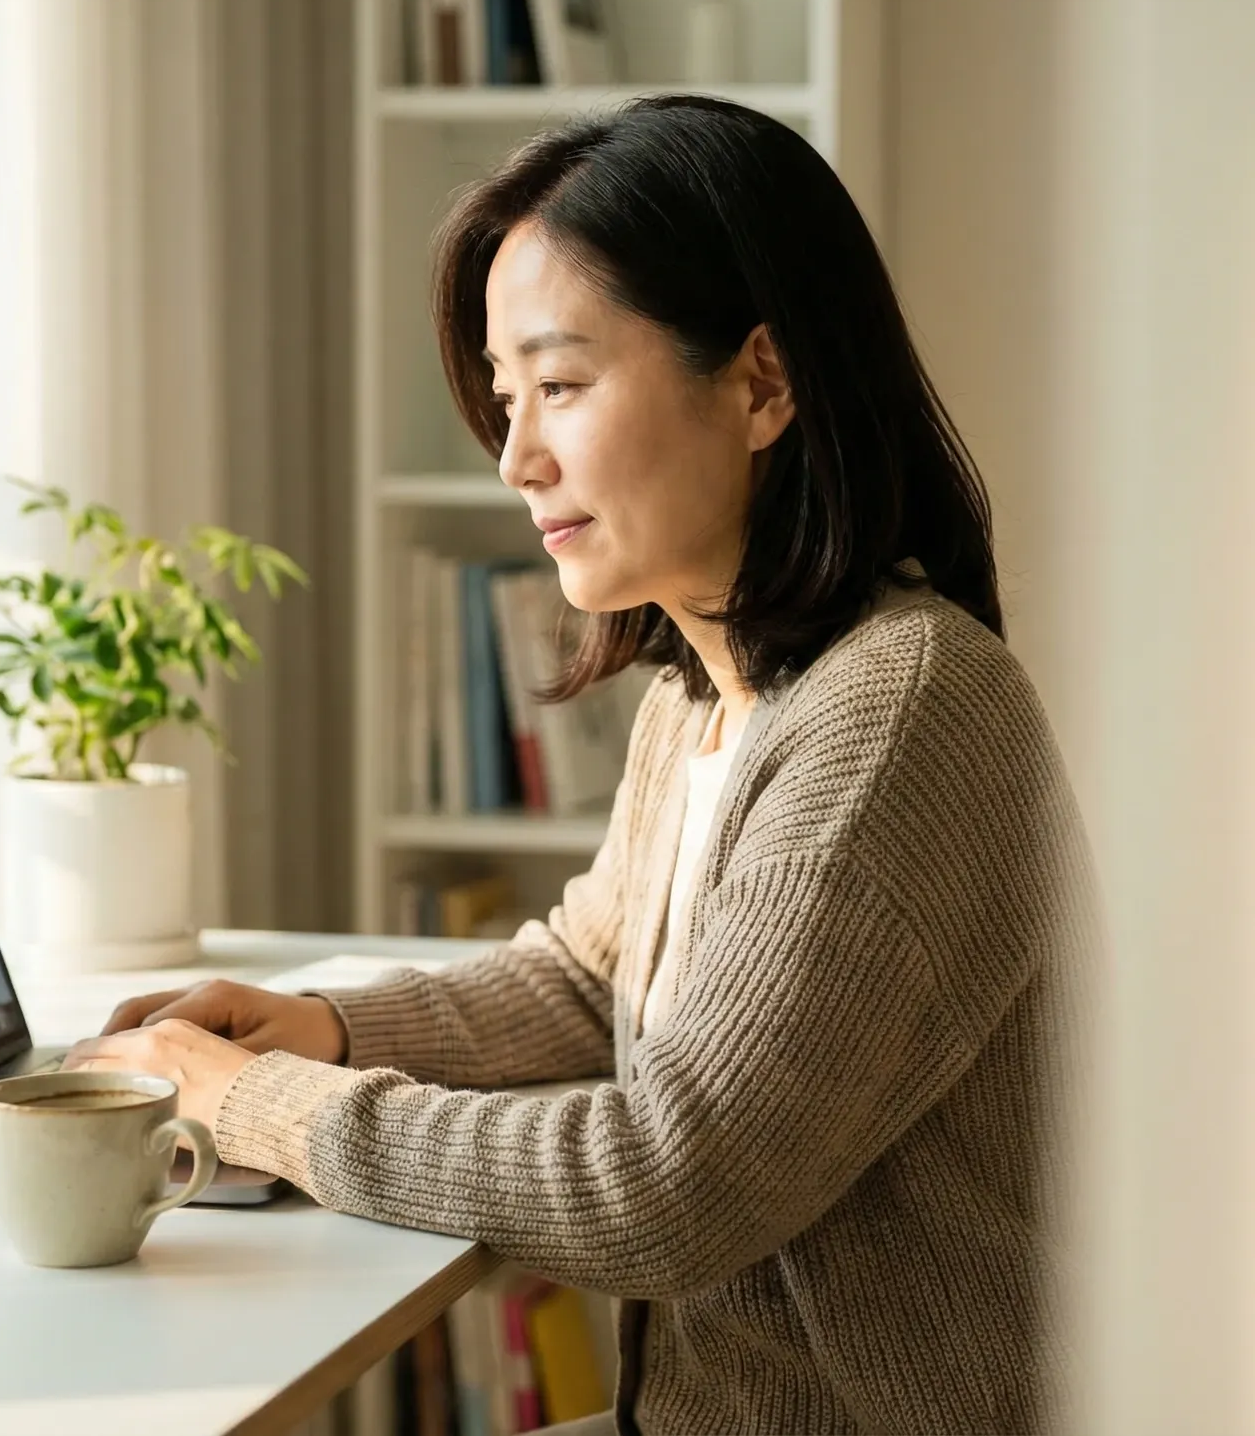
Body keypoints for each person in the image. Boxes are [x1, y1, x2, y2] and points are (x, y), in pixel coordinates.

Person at [69, 96, 1094, 1435]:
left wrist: (262, 1104)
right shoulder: (708, 690)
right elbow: (587, 969)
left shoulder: (898, 710)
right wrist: (324, 1024)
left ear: (764, 383)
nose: (514, 456)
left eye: (560, 385)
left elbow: (661, 1184)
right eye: (505, 399)